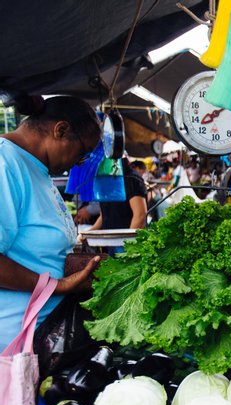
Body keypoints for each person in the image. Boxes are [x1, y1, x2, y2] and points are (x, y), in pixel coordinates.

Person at [0, 95, 102, 351]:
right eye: (82, 153)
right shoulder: (5, 164)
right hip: (10, 348)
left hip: (41, 340)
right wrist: (59, 285)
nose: (78, 163)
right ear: (61, 130)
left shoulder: (38, 167)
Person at [88, 157, 147, 231]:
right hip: (108, 239)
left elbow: (140, 215)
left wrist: (128, 241)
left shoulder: (131, 179)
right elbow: (104, 215)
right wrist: (88, 233)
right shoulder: (105, 179)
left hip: (123, 239)